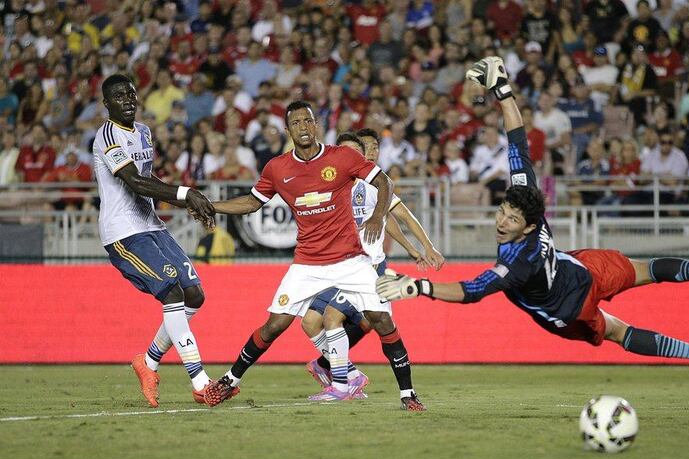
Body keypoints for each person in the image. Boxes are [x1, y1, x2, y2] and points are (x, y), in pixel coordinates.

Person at [377, 57, 689, 369]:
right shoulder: (526, 195)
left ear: (529, 226)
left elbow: (471, 292)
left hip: (569, 311)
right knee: (652, 269)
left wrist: (419, 288)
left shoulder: (517, 261)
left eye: (511, 221)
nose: (502, 221)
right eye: (502, 212)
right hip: (584, 269)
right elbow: (517, 138)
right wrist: (502, 90)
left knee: (621, 332)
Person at [202, 101, 426, 411]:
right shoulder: (277, 168)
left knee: (381, 320)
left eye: (307, 121)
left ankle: (408, 394)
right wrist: (212, 205)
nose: (303, 127)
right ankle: (230, 381)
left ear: (316, 125)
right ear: (288, 130)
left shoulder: (343, 156)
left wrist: (377, 216)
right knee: (274, 325)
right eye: (296, 123)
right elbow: (252, 203)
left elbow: (383, 181)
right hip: (307, 264)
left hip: (350, 260)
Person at [93, 74, 223, 408]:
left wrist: (183, 202)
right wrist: (186, 193)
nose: (128, 100)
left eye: (132, 94)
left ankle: (147, 363)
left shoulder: (145, 133)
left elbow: (149, 177)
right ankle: (200, 382)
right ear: (106, 103)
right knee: (172, 290)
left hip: (152, 226)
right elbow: (135, 182)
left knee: (195, 294)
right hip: (123, 233)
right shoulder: (107, 135)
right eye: (119, 96)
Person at [302, 130, 445, 398]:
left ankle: (345, 380)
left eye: (374, 148)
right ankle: (339, 370)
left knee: (354, 320)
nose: (372, 152)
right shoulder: (334, 184)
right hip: (336, 265)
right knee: (310, 322)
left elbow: (396, 217)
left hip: (367, 268)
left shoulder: (374, 185)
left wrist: (424, 248)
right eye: (367, 148)